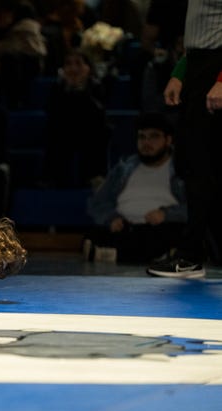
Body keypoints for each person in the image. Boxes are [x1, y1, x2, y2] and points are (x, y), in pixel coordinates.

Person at [147, 1, 222, 278]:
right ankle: (197, 252)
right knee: (196, 164)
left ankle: (191, 255)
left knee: (202, 165)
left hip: (216, 68)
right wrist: (180, 73)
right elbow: (201, 32)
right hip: (201, 65)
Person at [84, 112, 187, 263]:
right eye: (142, 137)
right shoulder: (123, 168)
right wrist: (112, 218)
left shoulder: (180, 170)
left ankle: (111, 255)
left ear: (168, 140)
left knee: (171, 234)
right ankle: (147, 256)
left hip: (160, 228)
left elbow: (195, 207)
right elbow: (97, 203)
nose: (147, 143)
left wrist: (166, 214)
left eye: (154, 137)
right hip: (125, 229)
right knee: (93, 233)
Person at [41, 48, 109, 188]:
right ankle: (53, 179)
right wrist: (69, 90)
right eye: (69, 64)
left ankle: (95, 177)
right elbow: (53, 114)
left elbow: (97, 114)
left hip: (89, 132)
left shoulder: (96, 86)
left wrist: (79, 90)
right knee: (55, 133)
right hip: (64, 131)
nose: (73, 68)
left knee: (99, 133)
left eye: (78, 63)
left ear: (88, 68)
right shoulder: (57, 87)